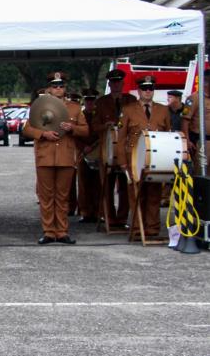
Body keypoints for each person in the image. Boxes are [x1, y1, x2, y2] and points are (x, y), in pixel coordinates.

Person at [22, 71, 89, 244]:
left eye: (61, 86)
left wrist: (72, 128)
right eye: (55, 86)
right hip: (45, 155)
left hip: (65, 156)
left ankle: (62, 231)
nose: (58, 89)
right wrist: (43, 134)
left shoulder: (74, 107)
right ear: (49, 88)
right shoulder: (39, 105)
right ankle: (49, 231)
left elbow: (85, 130)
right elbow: (27, 129)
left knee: (62, 196)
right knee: (46, 196)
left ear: (65, 88)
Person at [118, 76, 171, 238]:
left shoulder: (163, 110)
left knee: (154, 194)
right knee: (136, 195)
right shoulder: (128, 109)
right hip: (134, 158)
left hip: (157, 158)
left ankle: (153, 228)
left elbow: (168, 135)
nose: (148, 92)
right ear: (139, 90)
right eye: (145, 89)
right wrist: (122, 161)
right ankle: (136, 228)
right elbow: (121, 137)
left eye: (151, 89)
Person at [92, 68, 133, 227]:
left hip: (126, 150)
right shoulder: (101, 102)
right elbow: (94, 126)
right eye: (113, 82)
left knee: (125, 185)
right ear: (109, 84)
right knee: (107, 186)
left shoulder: (131, 100)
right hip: (107, 150)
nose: (116, 85)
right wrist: (105, 126)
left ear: (122, 83)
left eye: (118, 82)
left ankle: (122, 218)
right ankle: (108, 217)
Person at [76, 90, 101, 223]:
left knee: (98, 184)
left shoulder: (98, 116)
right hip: (83, 151)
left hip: (97, 151)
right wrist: (83, 148)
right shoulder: (81, 115)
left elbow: (102, 134)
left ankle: (98, 212)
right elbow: (75, 133)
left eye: (92, 100)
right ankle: (85, 212)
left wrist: (95, 146)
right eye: (88, 100)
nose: (90, 102)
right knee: (83, 184)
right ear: (84, 101)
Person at [182, 67, 210, 171]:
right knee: (201, 171)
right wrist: (187, 141)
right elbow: (185, 120)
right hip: (200, 142)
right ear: (206, 81)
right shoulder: (194, 98)